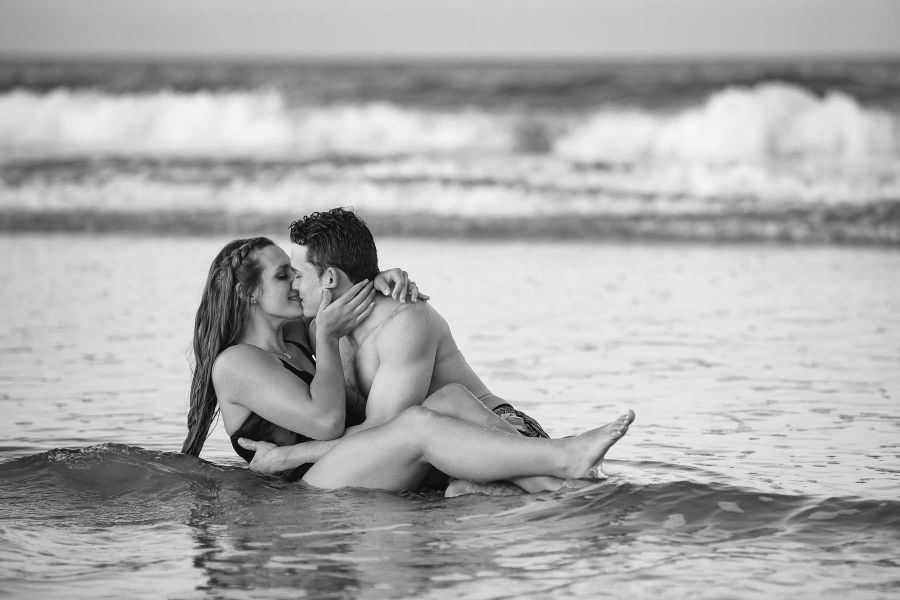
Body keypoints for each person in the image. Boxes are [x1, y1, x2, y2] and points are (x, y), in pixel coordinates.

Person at [181, 236, 635, 492]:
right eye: (285, 276)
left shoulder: (291, 335)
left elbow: (335, 293)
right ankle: (563, 456)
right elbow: (324, 420)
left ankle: (561, 486)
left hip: (350, 463)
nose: (298, 283)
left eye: (297, 273)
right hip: (309, 482)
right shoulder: (236, 363)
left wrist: (376, 279)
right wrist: (326, 333)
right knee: (417, 422)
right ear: (247, 294)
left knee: (451, 398)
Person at [240, 209, 571, 493]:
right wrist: (375, 277)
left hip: (503, 433)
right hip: (435, 457)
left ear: (329, 278)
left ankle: (557, 476)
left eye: (298, 275)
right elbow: (257, 323)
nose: (294, 286)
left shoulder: (404, 321)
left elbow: (385, 428)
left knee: (450, 411)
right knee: (459, 494)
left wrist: (290, 457)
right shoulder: (320, 328)